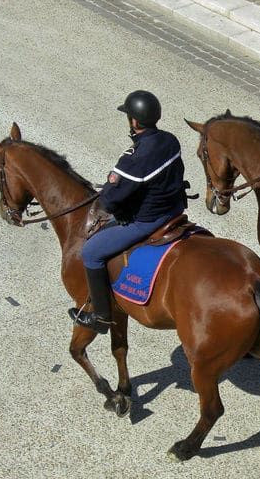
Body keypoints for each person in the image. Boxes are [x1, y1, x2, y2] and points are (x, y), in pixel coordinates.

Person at [69, 90, 187, 334]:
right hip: (174, 210)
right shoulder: (170, 140)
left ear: (134, 121)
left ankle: (101, 317)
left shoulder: (134, 158)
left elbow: (110, 202)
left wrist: (110, 190)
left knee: (90, 252)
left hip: (147, 221)